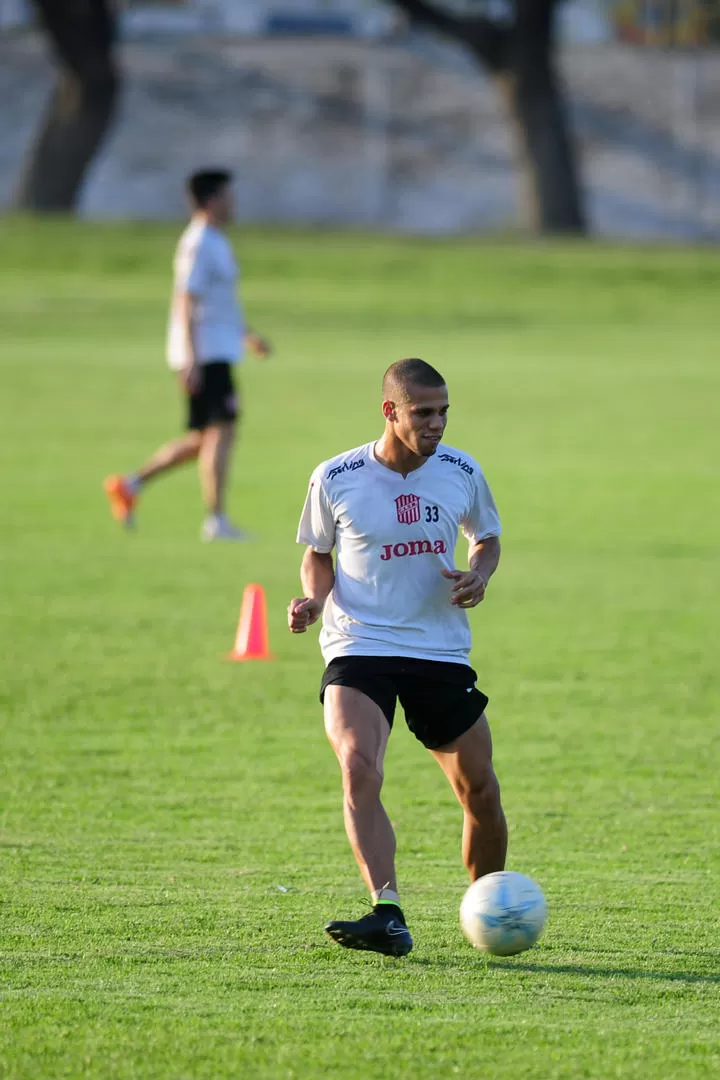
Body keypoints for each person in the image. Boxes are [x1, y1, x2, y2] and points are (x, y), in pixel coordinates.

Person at [288, 358, 508, 957]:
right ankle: (387, 911)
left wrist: (479, 575)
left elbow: (485, 537)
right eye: (422, 413)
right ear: (390, 410)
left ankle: (493, 906)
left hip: (438, 647)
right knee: (359, 765)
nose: (436, 424)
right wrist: (313, 600)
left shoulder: (461, 470)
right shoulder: (337, 475)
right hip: (360, 642)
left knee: (481, 792)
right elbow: (318, 552)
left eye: (443, 412)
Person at [104, 168, 270, 541]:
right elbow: (186, 300)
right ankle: (216, 520)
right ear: (212, 200)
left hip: (217, 349)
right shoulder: (198, 243)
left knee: (204, 439)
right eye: (228, 196)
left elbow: (219, 304)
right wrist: (191, 359)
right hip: (206, 354)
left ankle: (130, 485)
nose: (234, 203)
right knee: (222, 432)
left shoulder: (217, 241)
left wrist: (246, 335)